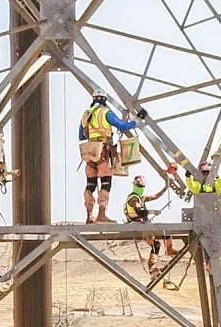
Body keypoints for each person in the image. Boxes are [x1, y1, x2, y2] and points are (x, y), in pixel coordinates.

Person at [77, 89, 140, 224]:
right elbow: (122, 126)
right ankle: (101, 214)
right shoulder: (106, 112)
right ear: (104, 100)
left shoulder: (86, 115)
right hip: (104, 152)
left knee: (90, 185)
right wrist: (136, 121)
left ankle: (89, 216)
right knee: (105, 183)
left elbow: (81, 136)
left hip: (90, 153)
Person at [125, 175, 179, 278]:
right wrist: (152, 211)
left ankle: (169, 250)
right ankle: (152, 269)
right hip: (137, 226)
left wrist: (165, 188)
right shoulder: (134, 199)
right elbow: (140, 212)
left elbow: (155, 196)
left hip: (143, 226)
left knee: (163, 236)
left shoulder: (140, 198)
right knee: (156, 243)